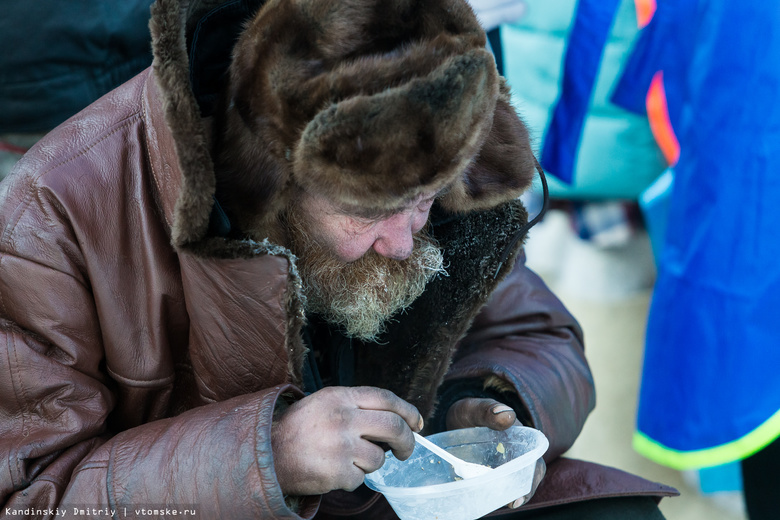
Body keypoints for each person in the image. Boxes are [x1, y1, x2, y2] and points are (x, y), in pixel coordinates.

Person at [0, 0, 676, 518]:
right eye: (371, 210)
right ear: (271, 175)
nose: (408, 240)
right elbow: (29, 495)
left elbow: (540, 335)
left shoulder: (434, 157)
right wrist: (269, 455)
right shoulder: (55, 209)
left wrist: (480, 402)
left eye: (425, 199)